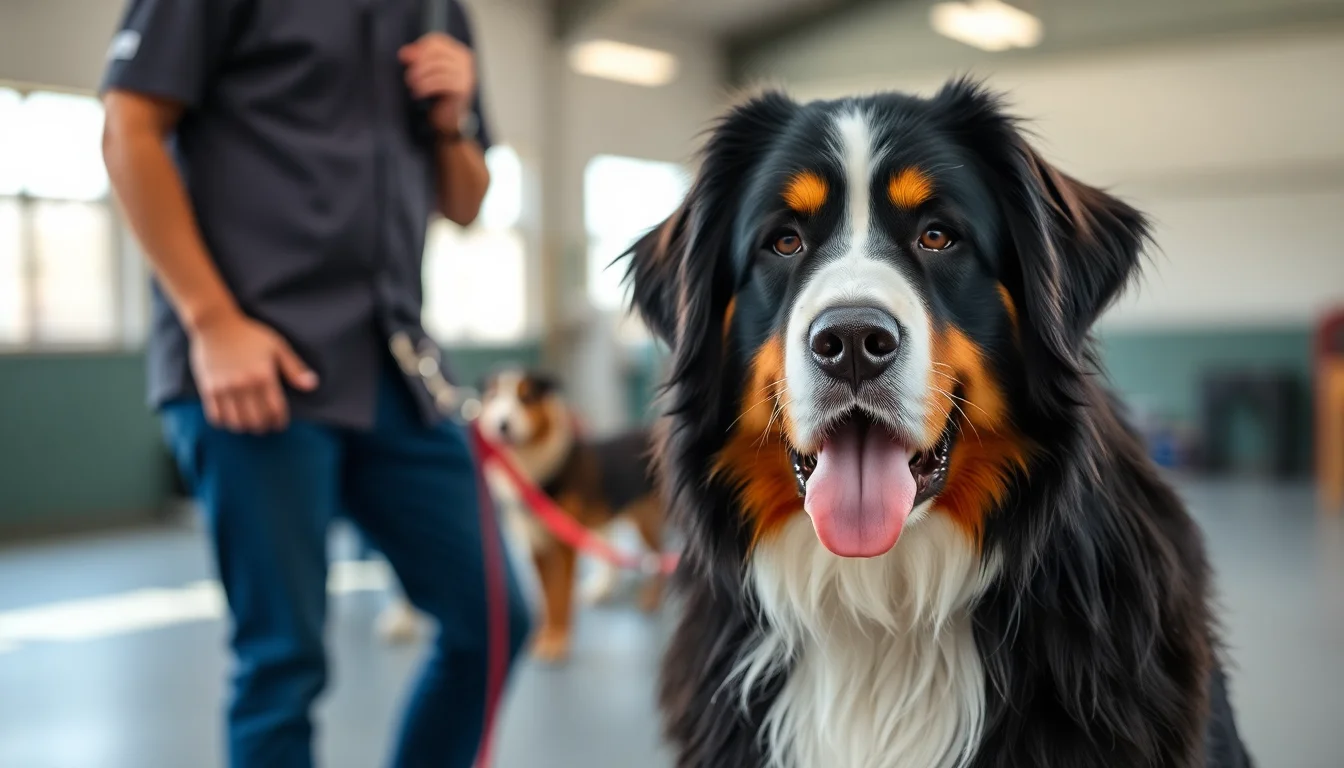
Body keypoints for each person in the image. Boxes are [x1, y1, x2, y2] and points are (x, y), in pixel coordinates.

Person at [99, 1, 532, 766]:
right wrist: (211, 322)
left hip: (396, 368)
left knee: (494, 620)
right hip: (253, 364)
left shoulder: (439, 10)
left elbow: (465, 203)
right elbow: (129, 127)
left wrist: (451, 120)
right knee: (282, 662)